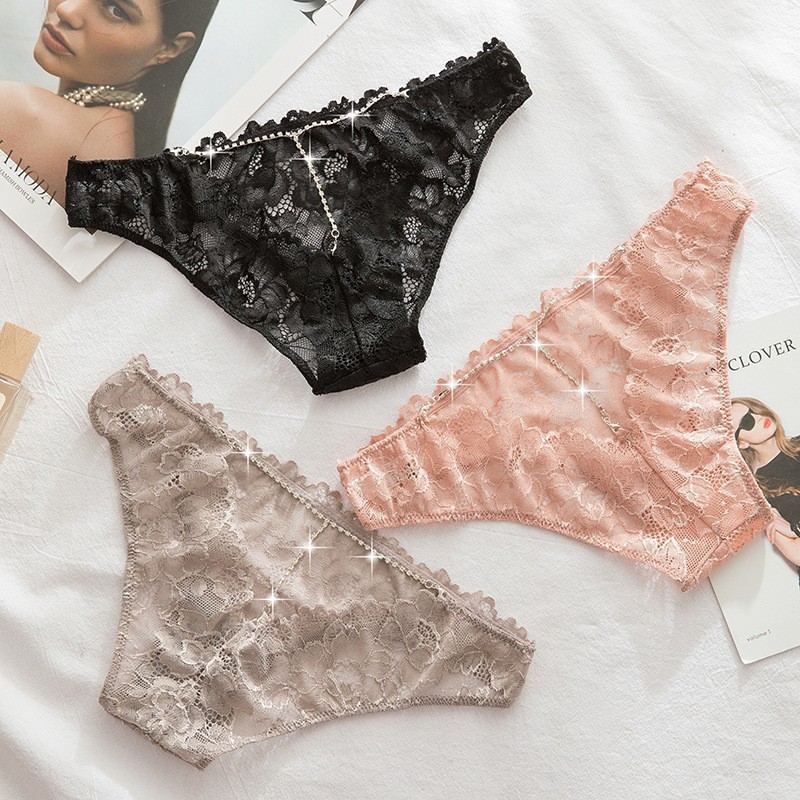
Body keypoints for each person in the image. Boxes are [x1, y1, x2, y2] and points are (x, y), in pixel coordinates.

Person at [0, 0, 217, 207]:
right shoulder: (125, 159)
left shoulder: (19, 111)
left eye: (115, 10)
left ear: (168, 48)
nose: (67, 9)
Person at [731, 397, 800, 571]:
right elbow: (797, 554)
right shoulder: (758, 492)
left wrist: (795, 529)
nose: (758, 417)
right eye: (747, 421)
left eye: (754, 409)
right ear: (741, 443)